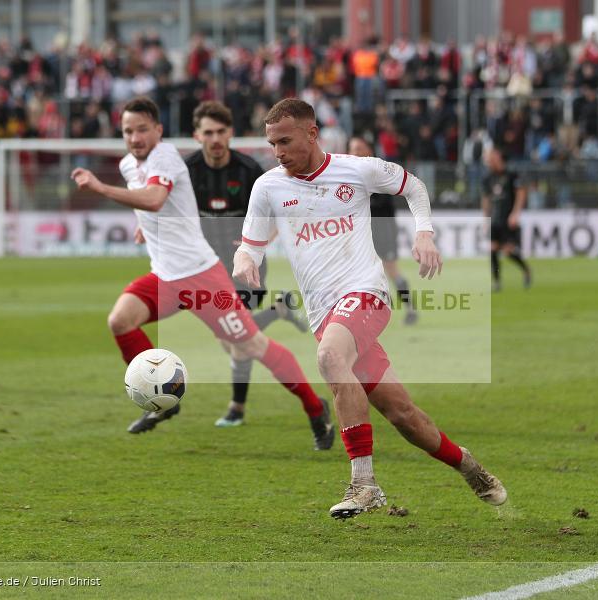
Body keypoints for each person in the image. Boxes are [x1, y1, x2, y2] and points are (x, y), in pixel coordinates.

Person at [233, 98, 507, 519]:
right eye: (272, 144)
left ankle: (364, 485)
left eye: (285, 141)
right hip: (325, 314)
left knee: (327, 357)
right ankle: (469, 466)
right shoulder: (268, 186)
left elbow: (413, 185)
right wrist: (246, 260)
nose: (278, 152)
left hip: (366, 294)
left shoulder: (356, 169)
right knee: (404, 417)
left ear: (312, 133)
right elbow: (250, 243)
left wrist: (425, 234)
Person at [70, 96, 334, 450]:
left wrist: (99, 188)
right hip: (164, 276)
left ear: (159, 131)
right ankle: (162, 398)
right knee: (120, 321)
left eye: (143, 130)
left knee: (251, 346)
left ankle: (316, 409)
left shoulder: (164, 157)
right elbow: (152, 208)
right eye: (128, 131)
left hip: (200, 277)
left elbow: (154, 199)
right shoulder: (128, 166)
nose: (135, 138)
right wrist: (144, 227)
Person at [185, 100, 307, 428]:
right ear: (197, 135)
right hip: (207, 269)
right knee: (230, 337)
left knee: (236, 338)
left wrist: (254, 247)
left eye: (220, 132)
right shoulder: (189, 172)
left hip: (245, 265)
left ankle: (236, 407)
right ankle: (278, 310)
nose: (214, 138)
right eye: (208, 132)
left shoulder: (249, 170)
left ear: (230, 133)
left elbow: (273, 212)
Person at [347, 136, 418, 325]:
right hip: (361, 233)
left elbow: (386, 201)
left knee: (391, 269)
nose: (356, 152)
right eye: (353, 149)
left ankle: (410, 309)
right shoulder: (348, 176)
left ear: (369, 150)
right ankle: (364, 314)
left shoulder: (379, 171)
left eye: (360, 148)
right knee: (360, 274)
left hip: (383, 229)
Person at [481, 147, 531, 292]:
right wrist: (486, 218)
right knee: (493, 249)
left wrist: (516, 213)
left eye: (490, 159)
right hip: (495, 219)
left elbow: (521, 193)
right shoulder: (488, 178)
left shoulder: (511, 175)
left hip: (507, 218)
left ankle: (526, 269)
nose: (488, 162)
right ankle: (497, 282)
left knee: (508, 251)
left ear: (497, 158)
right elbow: (486, 199)